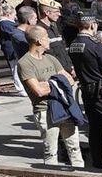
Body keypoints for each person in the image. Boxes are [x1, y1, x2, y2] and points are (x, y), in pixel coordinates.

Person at [17, 26, 84, 169]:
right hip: (45, 111)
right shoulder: (25, 63)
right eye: (46, 37)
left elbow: (69, 81)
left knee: (74, 147)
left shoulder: (51, 58)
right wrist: (57, 82)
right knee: (51, 151)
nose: (49, 40)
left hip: (65, 107)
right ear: (38, 41)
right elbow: (38, 92)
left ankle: (81, 173)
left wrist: (49, 84)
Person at [67, 16, 102, 171]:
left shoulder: (73, 44)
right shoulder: (96, 46)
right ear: (92, 25)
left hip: (87, 92)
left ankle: (97, 163)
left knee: (95, 130)